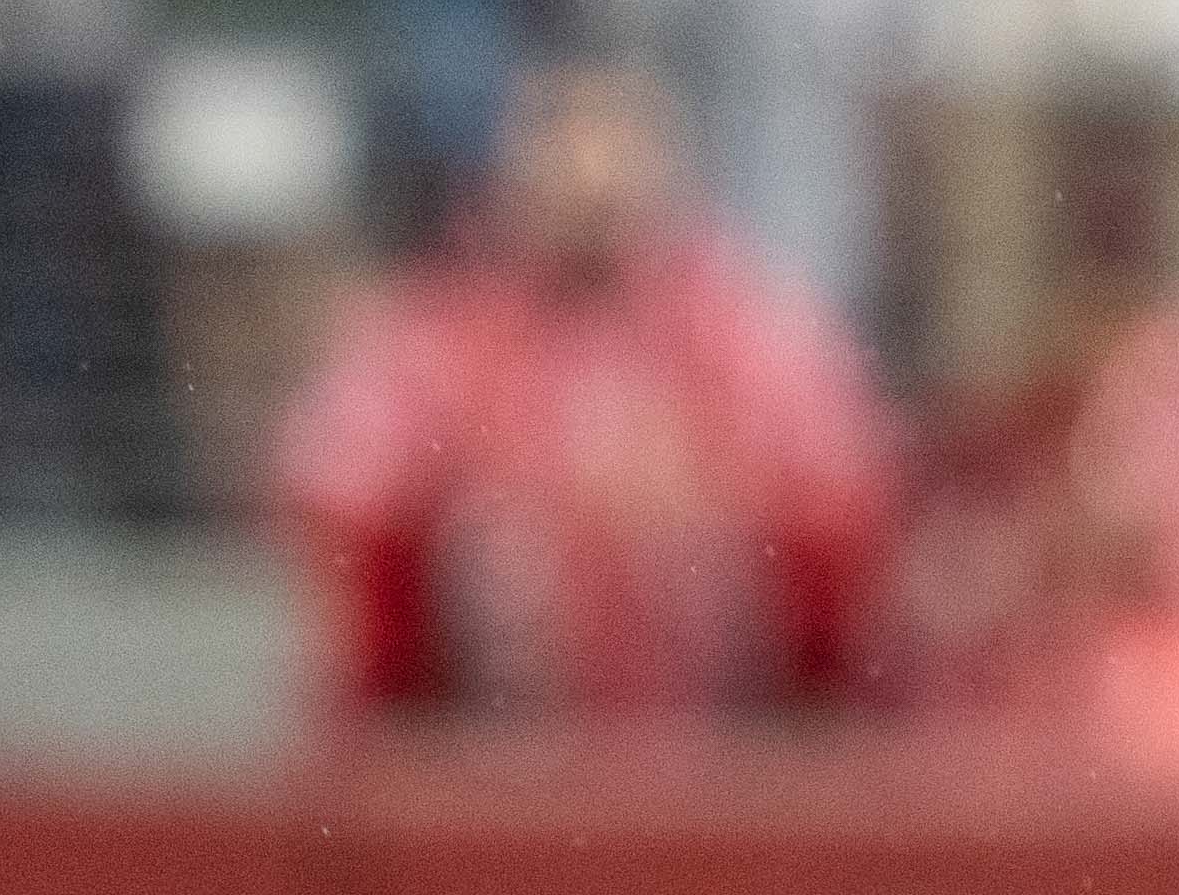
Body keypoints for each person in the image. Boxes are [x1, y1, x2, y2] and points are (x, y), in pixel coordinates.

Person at [272, 59, 896, 724]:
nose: (589, 176)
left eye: (616, 144)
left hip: (725, 767)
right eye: (561, 141)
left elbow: (842, 519)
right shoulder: (429, 340)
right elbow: (346, 510)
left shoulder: (760, 335)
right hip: (486, 760)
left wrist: (700, 506)